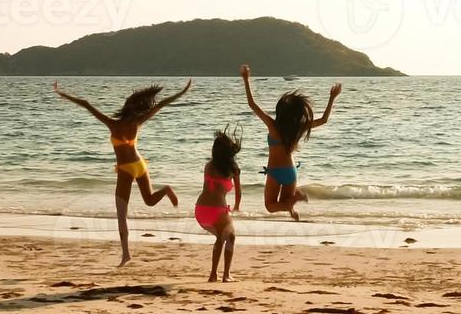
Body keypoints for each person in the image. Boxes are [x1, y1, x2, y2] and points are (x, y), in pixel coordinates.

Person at [53, 80, 192, 265]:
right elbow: (161, 104)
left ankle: (126, 254)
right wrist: (182, 91)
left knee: (121, 214)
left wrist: (62, 94)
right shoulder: (137, 122)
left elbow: (86, 105)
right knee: (149, 201)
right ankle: (166, 190)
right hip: (140, 164)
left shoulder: (112, 124)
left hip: (126, 169)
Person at [239, 65, 340, 220]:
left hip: (275, 171)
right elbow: (324, 120)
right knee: (286, 202)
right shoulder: (298, 128)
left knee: (270, 206)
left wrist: (246, 79)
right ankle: (292, 208)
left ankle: (293, 202)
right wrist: (332, 98)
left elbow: (252, 105)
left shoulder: (273, 127)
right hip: (291, 171)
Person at [195, 129, 242, 282]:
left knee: (220, 237)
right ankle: (226, 275)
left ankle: (213, 275)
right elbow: (238, 193)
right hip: (217, 212)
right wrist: (236, 207)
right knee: (231, 237)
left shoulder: (209, 166)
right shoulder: (233, 169)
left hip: (201, 211)